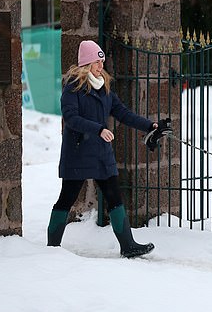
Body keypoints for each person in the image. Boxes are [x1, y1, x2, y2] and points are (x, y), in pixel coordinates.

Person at [47, 40, 169, 258]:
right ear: (86, 63)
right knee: (67, 197)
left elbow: (123, 113)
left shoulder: (104, 88)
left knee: (114, 195)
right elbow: (71, 118)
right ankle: (51, 248)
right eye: (96, 61)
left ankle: (128, 245)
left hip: (101, 154)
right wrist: (99, 129)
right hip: (78, 152)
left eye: (101, 61)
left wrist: (150, 125)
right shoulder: (72, 88)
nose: (100, 66)